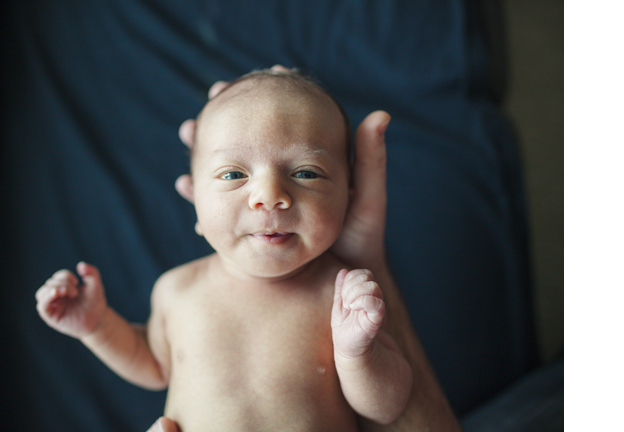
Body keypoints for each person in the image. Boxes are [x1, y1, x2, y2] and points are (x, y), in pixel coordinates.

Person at [36, 69, 415, 431]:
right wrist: (97, 327)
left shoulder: (343, 296)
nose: (269, 197)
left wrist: (358, 354)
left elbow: (387, 408)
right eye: (234, 175)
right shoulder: (177, 290)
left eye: (306, 172)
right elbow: (150, 362)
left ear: (348, 197)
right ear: (195, 200)